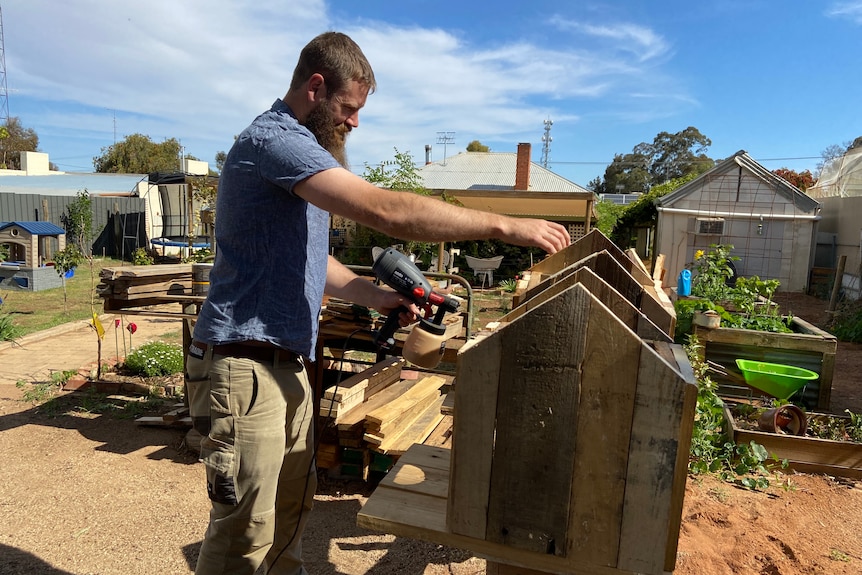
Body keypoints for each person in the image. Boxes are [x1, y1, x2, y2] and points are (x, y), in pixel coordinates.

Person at [189, 31, 571, 575]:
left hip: (288, 362)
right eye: (349, 108)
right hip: (244, 362)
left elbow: (311, 263)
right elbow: (384, 210)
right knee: (243, 535)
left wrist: (381, 298)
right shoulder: (274, 141)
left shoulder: (301, 162)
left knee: (290, 515)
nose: (355, 122)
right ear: (316, 88)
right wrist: (504, 223)